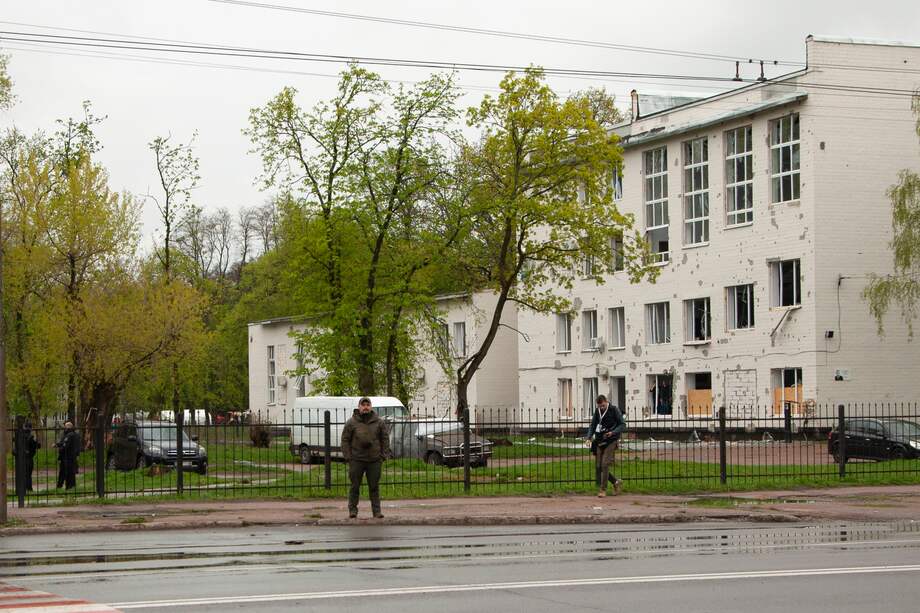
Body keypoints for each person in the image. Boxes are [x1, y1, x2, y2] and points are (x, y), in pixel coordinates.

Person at [341, 397, 391, 519]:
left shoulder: (379, 422)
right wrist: (348, 457)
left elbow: (385, 439)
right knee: (355, 486)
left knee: (374, 487)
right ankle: (352, 511)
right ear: (359, 407)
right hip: (356, 460)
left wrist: (383, 455)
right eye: (363, 405)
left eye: (367, 404)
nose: (365, 407)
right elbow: (345, 440)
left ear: (371, 407)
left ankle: (377, 512)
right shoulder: (351, 422)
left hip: (374, 460)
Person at [586, 394, 626, 497]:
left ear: (606, 402)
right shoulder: (597, 411)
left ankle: (603, 490)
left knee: (605, 464)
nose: (601, 408)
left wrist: (613, 432)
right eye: (600, 406)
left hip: (611, 441)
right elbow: (593, 425)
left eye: (603, 406)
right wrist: (589, 437)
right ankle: (616, 482)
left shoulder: (614, 410)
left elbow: (622, 424)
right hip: (599, 441)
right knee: (599, 466)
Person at [13, 421, 41, 492]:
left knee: (20, 474)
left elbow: (15, 447)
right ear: (31, 428)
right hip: (28, 458)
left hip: (19, 458)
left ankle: (20, 490)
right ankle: (29, 489)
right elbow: (38, 446)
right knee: (28, 474)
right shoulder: (31, 437)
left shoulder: (18, 435)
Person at [55, 421, 80, 490]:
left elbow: (65, 445)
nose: (64, 428)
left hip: (67, 456)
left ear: (68, 427)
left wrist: (60, 449)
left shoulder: (69, 435)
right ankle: (71, 486)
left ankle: (68, 487)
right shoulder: (75, 434)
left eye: (65, 427)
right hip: (73, 456)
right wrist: (58, 444)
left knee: (66, 472)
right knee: (71, 472)